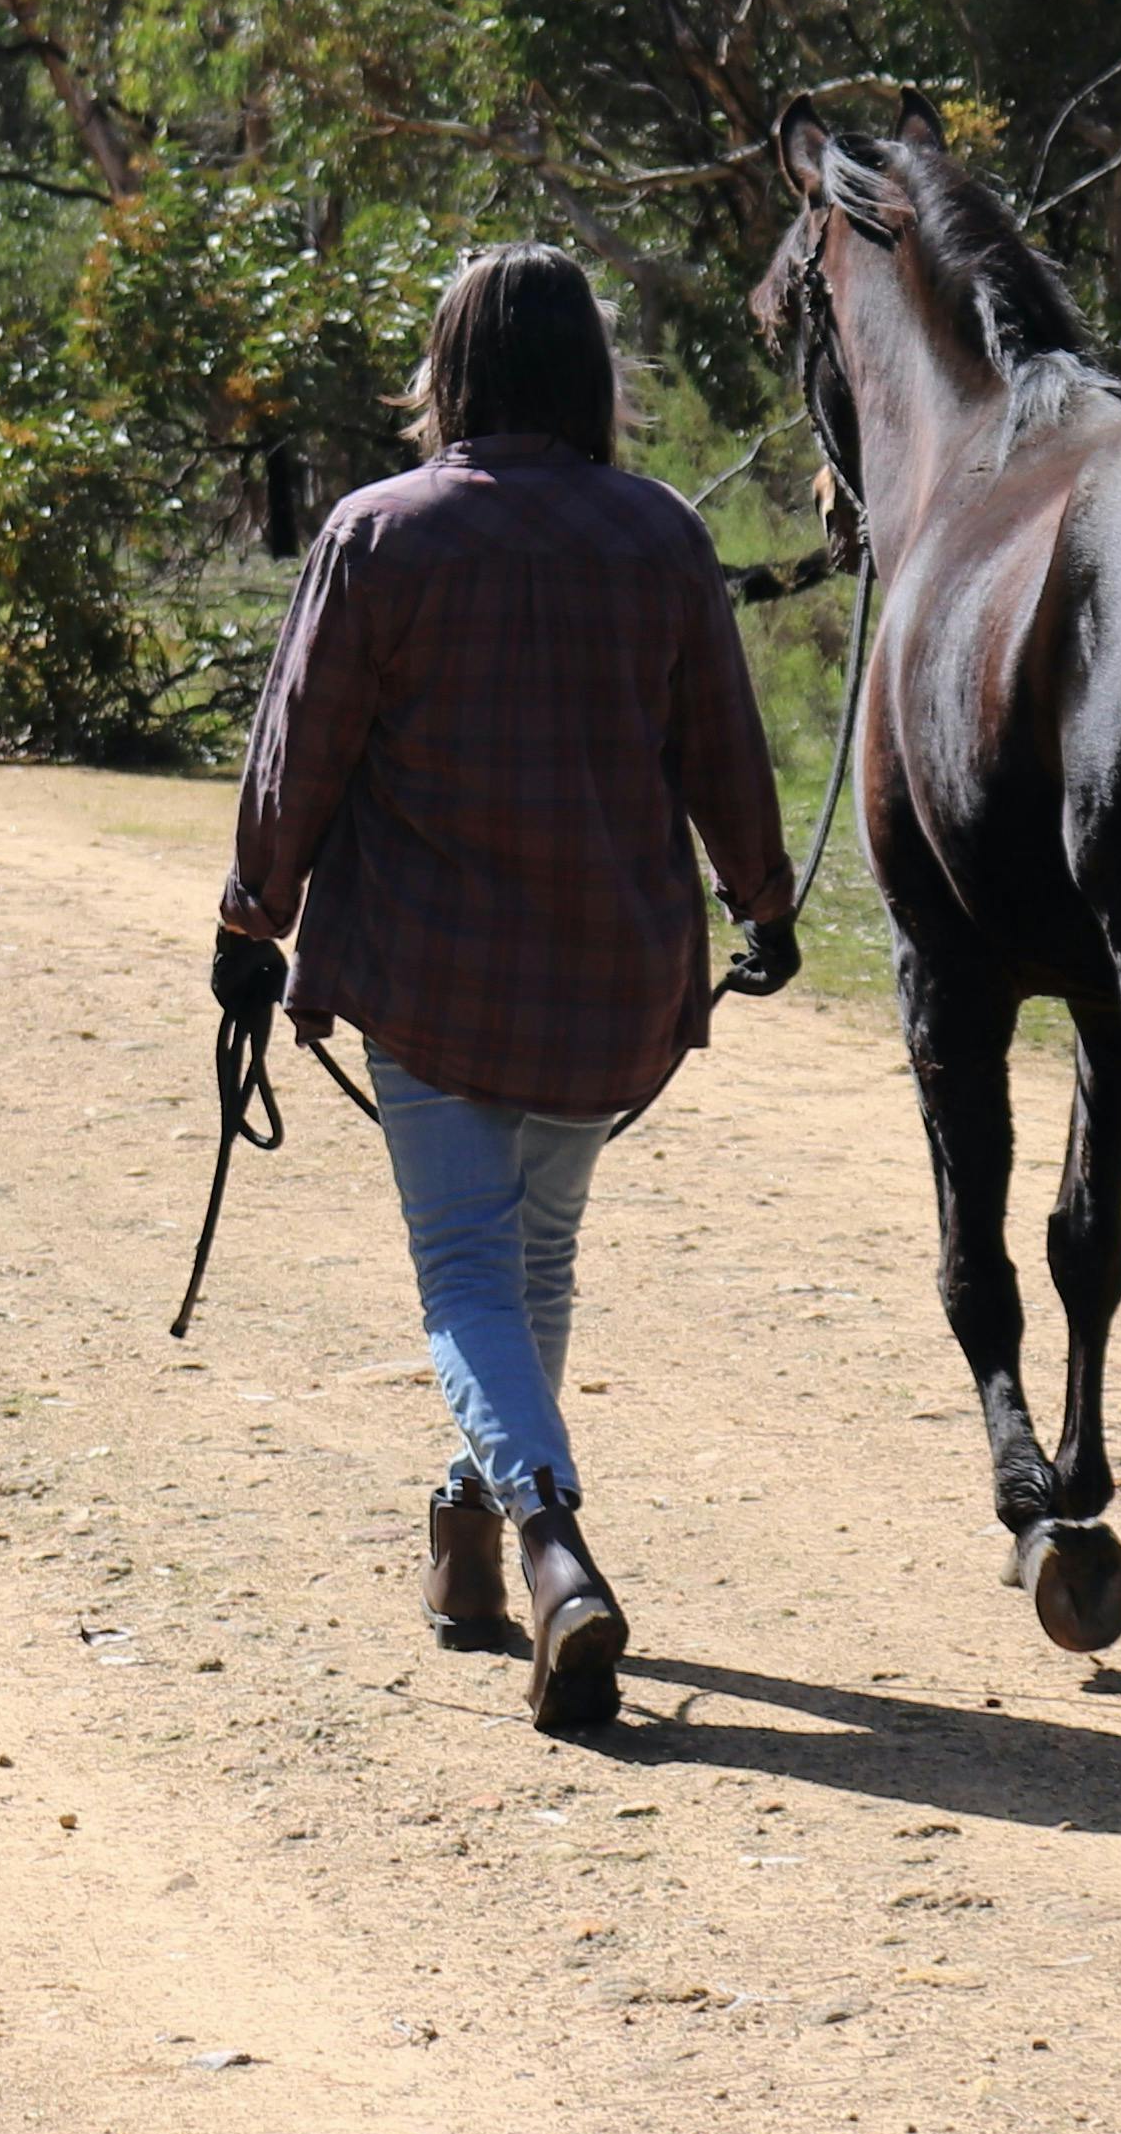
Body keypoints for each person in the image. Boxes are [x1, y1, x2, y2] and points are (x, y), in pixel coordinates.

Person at [215, 247, 799, 1738]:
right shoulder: (661, 535)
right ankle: (465, 1538)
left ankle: (549, 1547)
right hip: (608, 978)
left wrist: (252, 914)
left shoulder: (380, 536)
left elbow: (302, 746)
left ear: (451, 372)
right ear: (592, 378)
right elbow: (722, 741)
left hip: (431, 970)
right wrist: (762, 898)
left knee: (471, 1274)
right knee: (535, 1266)